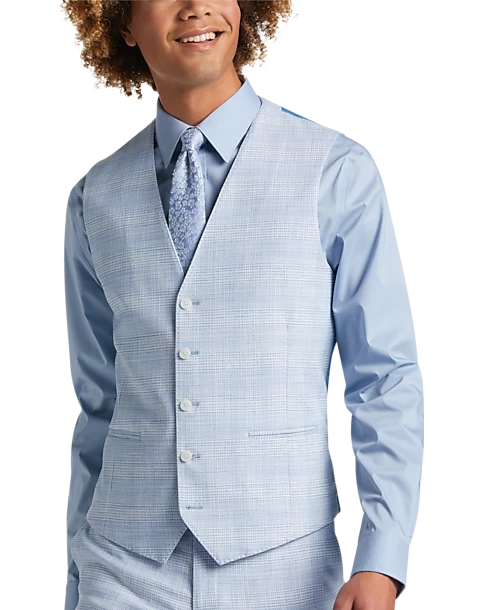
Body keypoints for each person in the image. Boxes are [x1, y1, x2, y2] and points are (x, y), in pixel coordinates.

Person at [60, 1, 424, 609]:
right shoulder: (94, 197)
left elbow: (384, 378)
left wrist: (382, 559)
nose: (196, 6)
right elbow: (99, 405)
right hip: (121, 568)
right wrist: (75, 579)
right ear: (121, 21)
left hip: (286, 567)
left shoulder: (335, 172)